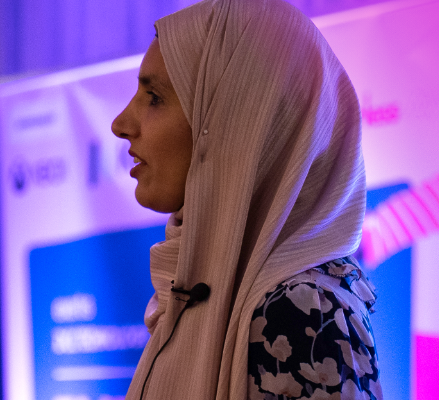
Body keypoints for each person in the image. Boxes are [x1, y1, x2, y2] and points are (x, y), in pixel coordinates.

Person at [110, 0, 381, 399]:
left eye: (154, 98)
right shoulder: (198, 292)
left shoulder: (305, 312)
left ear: (234, 123)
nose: (121, 124)